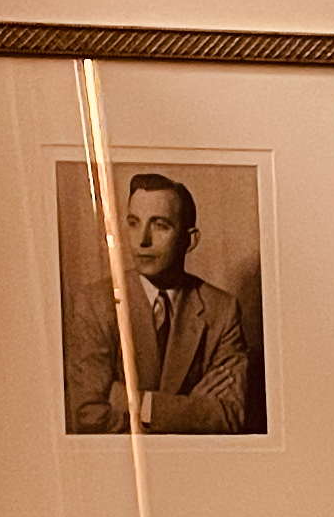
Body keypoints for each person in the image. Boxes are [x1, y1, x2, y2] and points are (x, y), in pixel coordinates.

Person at [63, 172, 251, 433]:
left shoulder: (221, 310)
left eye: (160, 225)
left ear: (189, 240)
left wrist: (139, 404)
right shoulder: (93, 304)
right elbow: (88, 418)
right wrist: (190, 407)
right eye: (133, 223)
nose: (142, 240)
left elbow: (230, 417)